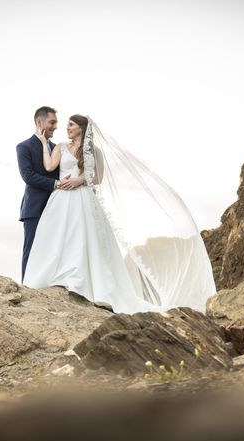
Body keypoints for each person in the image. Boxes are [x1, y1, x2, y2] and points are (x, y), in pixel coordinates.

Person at [22, 114, 216, 314]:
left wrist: (80, 180)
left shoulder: (93, 151)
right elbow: (49, 167)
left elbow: (98, 178)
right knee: (58, 235)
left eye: (71, 125)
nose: (67, 128)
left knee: (82, 237)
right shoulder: (61, 147)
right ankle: (58, 276)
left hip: (83, 198)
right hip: (62, 198)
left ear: (81, 127)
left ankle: (82, 279)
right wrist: (45, 144)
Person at [16, 107, 83, 281]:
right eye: (52, 122)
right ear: (40, 122)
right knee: (32, 251)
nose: (55, 127)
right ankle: (26, 288)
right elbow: (28, 176)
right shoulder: (24, 147)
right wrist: (56, 184)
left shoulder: (59, 148)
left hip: (58, 208)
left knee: (53, 252)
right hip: (35, 208)